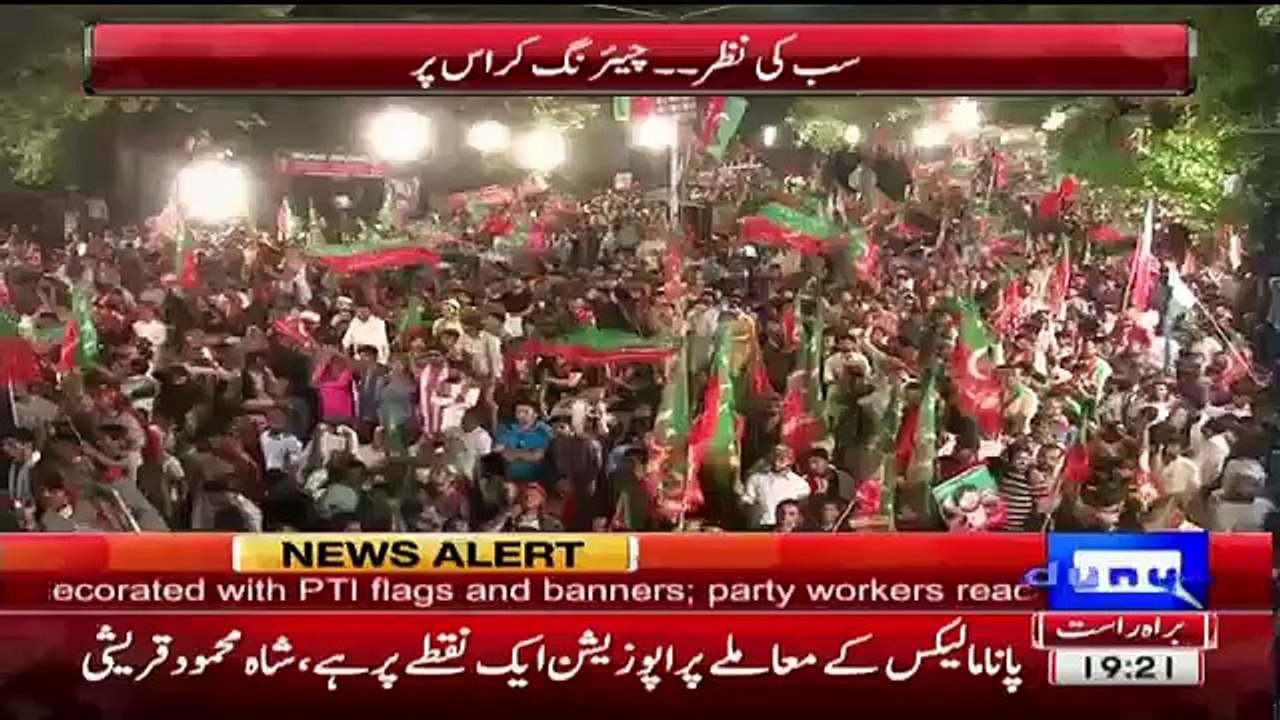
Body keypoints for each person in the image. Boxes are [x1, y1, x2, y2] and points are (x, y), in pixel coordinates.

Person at [741, 447, 809, 528]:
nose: (777, 462)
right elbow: (747, 503)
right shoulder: (756, 479)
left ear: (791, 460)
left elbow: (802, 510)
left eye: (782, 458)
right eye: (775, 456)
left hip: (788, 529)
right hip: (762, 526)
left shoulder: (800, 484)